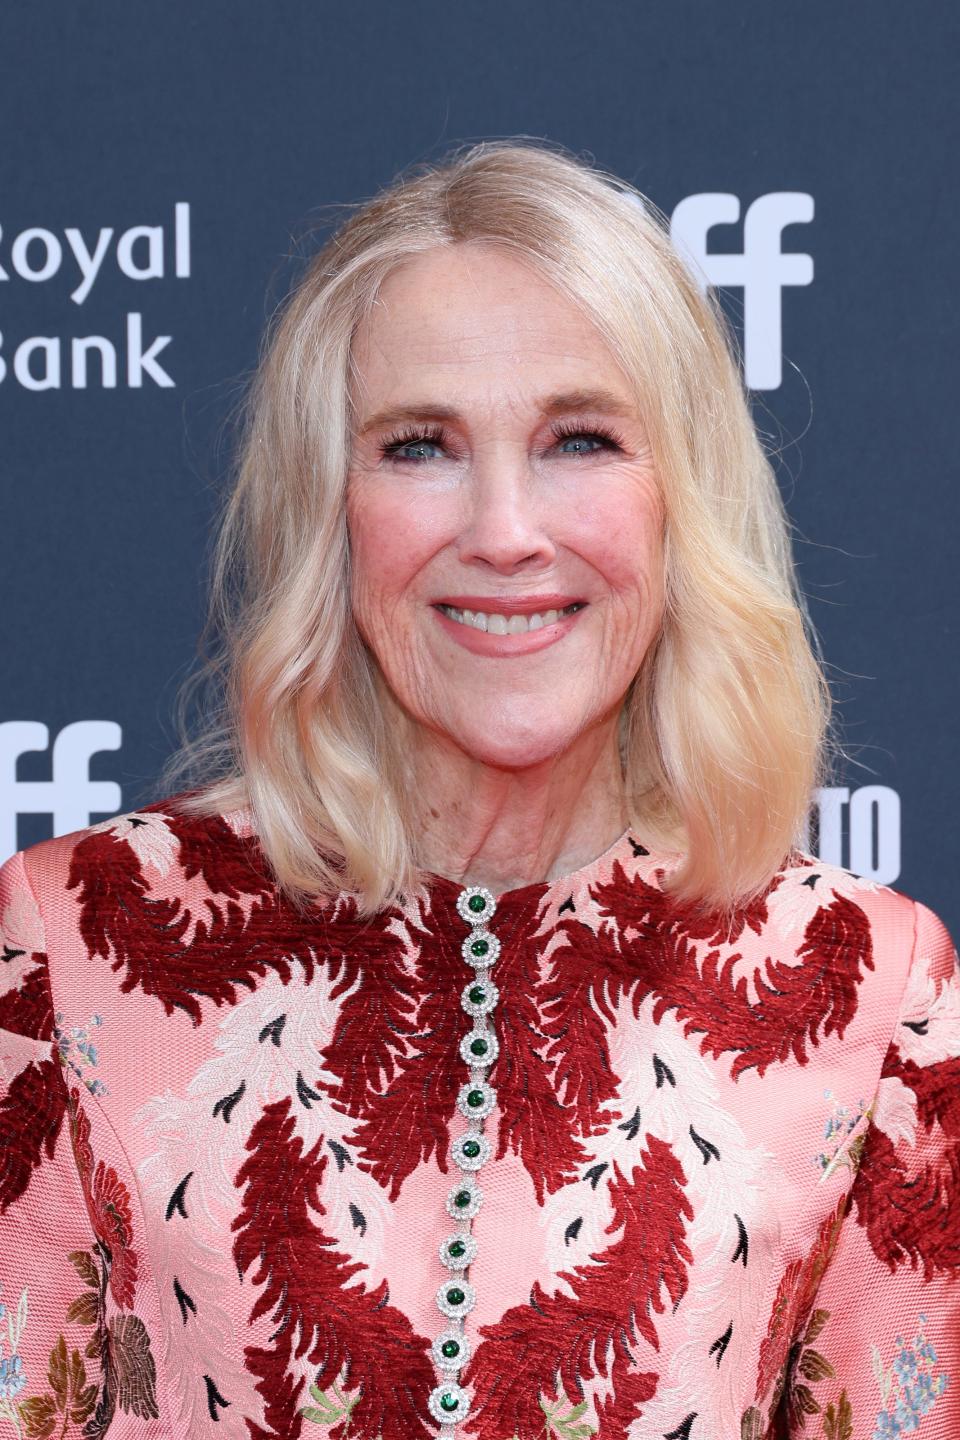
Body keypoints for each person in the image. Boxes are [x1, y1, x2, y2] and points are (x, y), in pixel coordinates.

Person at [0, 140, 956, 1440]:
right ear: (330, 508)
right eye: (419, 446)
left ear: (680, 500)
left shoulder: (867, 988)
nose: (505, 528)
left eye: (579, 439)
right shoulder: (74, 943)